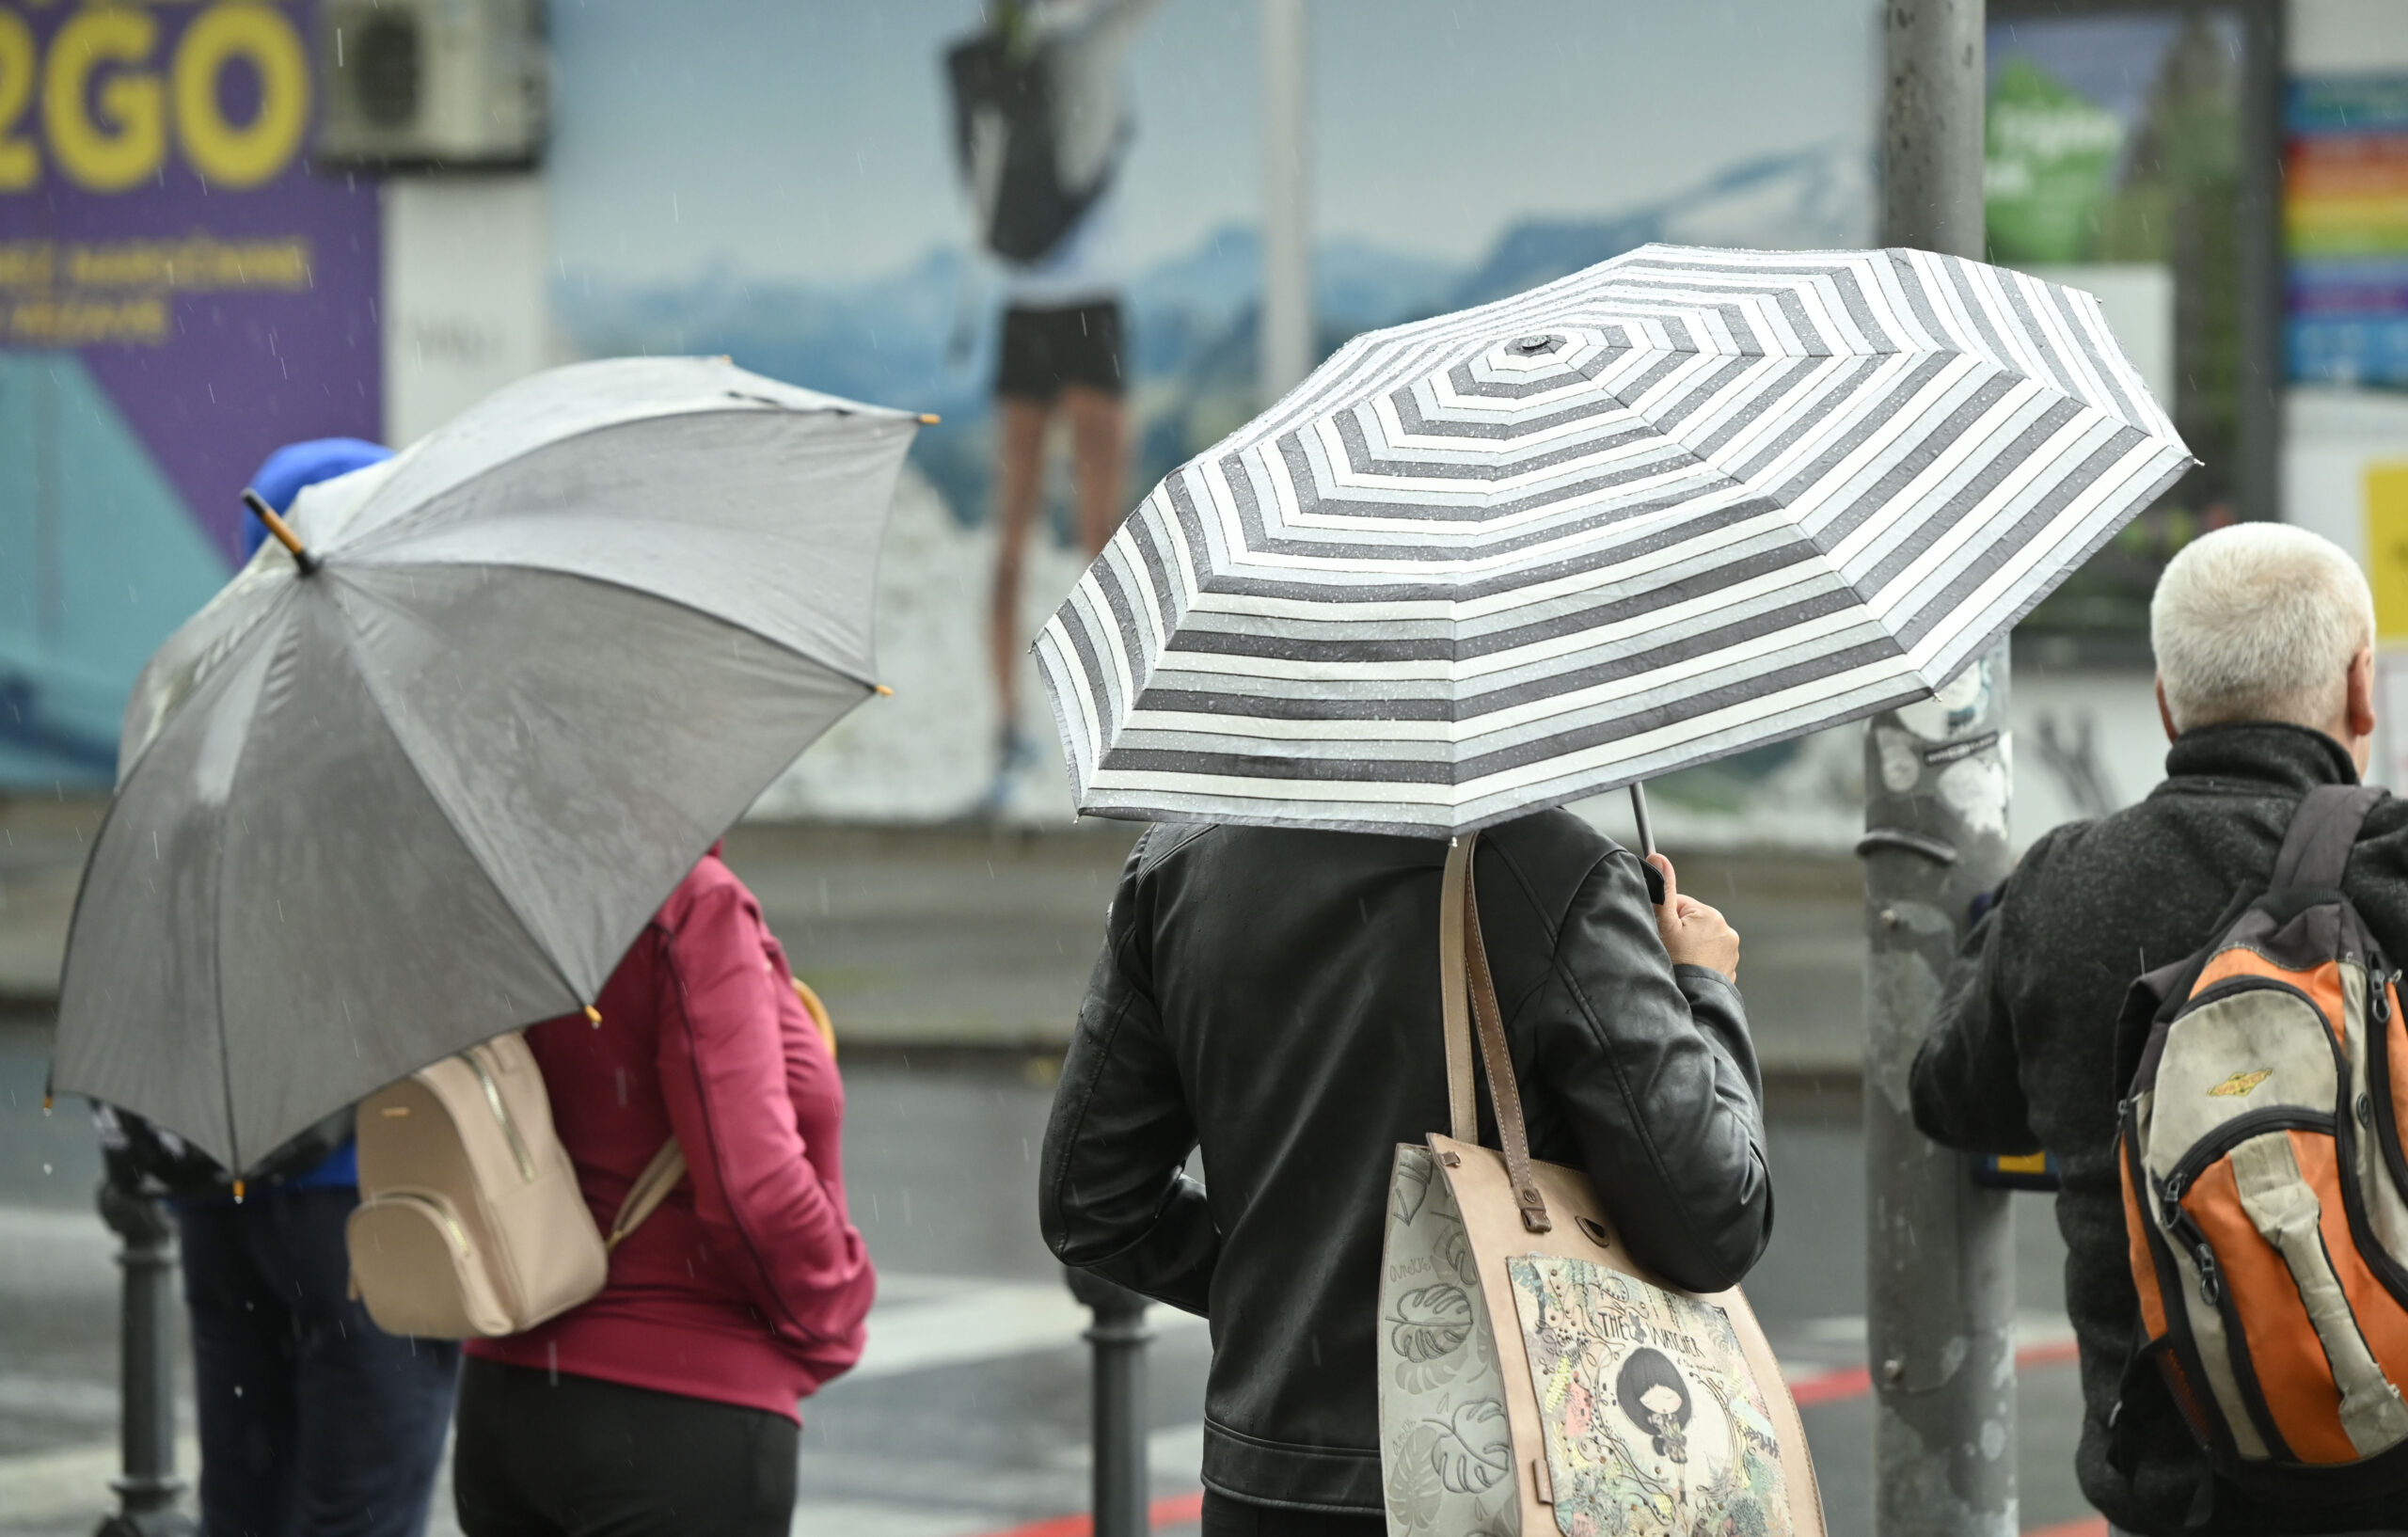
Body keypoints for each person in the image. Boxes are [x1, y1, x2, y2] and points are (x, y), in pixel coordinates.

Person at [1038, 813, 1772, 1536]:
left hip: (1265, 1485)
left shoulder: (1182, 863)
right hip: (1503, 1481)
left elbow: (1093, 1201)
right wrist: (1703, 987)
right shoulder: (1553, 873)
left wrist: (1288, 1295)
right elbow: (1711, 1220)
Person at [1911, 523, 2408, 1537]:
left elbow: (1949, 1094)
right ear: (2363, 688)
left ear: (2165, 701)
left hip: (2178, 1491)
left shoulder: (2065, 884)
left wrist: (1998, 932)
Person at [118, 436, 464, 1537]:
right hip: (368, 1185)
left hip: (223, 1184)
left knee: (245, 1501)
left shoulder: (188, 702)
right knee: (358, 1504)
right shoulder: (390, 711)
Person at [452, 846, 875, 1537]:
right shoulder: (687, 902)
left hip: (506, 1397)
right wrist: (837, 1302)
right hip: (676, 1415)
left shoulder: (504, 888)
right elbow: (752, 1188)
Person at [958, 0, 1161, 812]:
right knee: (1100, 542)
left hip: (1023, 305)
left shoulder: (1013, 40)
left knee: (1014, 537)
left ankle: (1012, 736)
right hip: (1088, 307)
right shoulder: (1093, 32)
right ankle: (1114, 735)